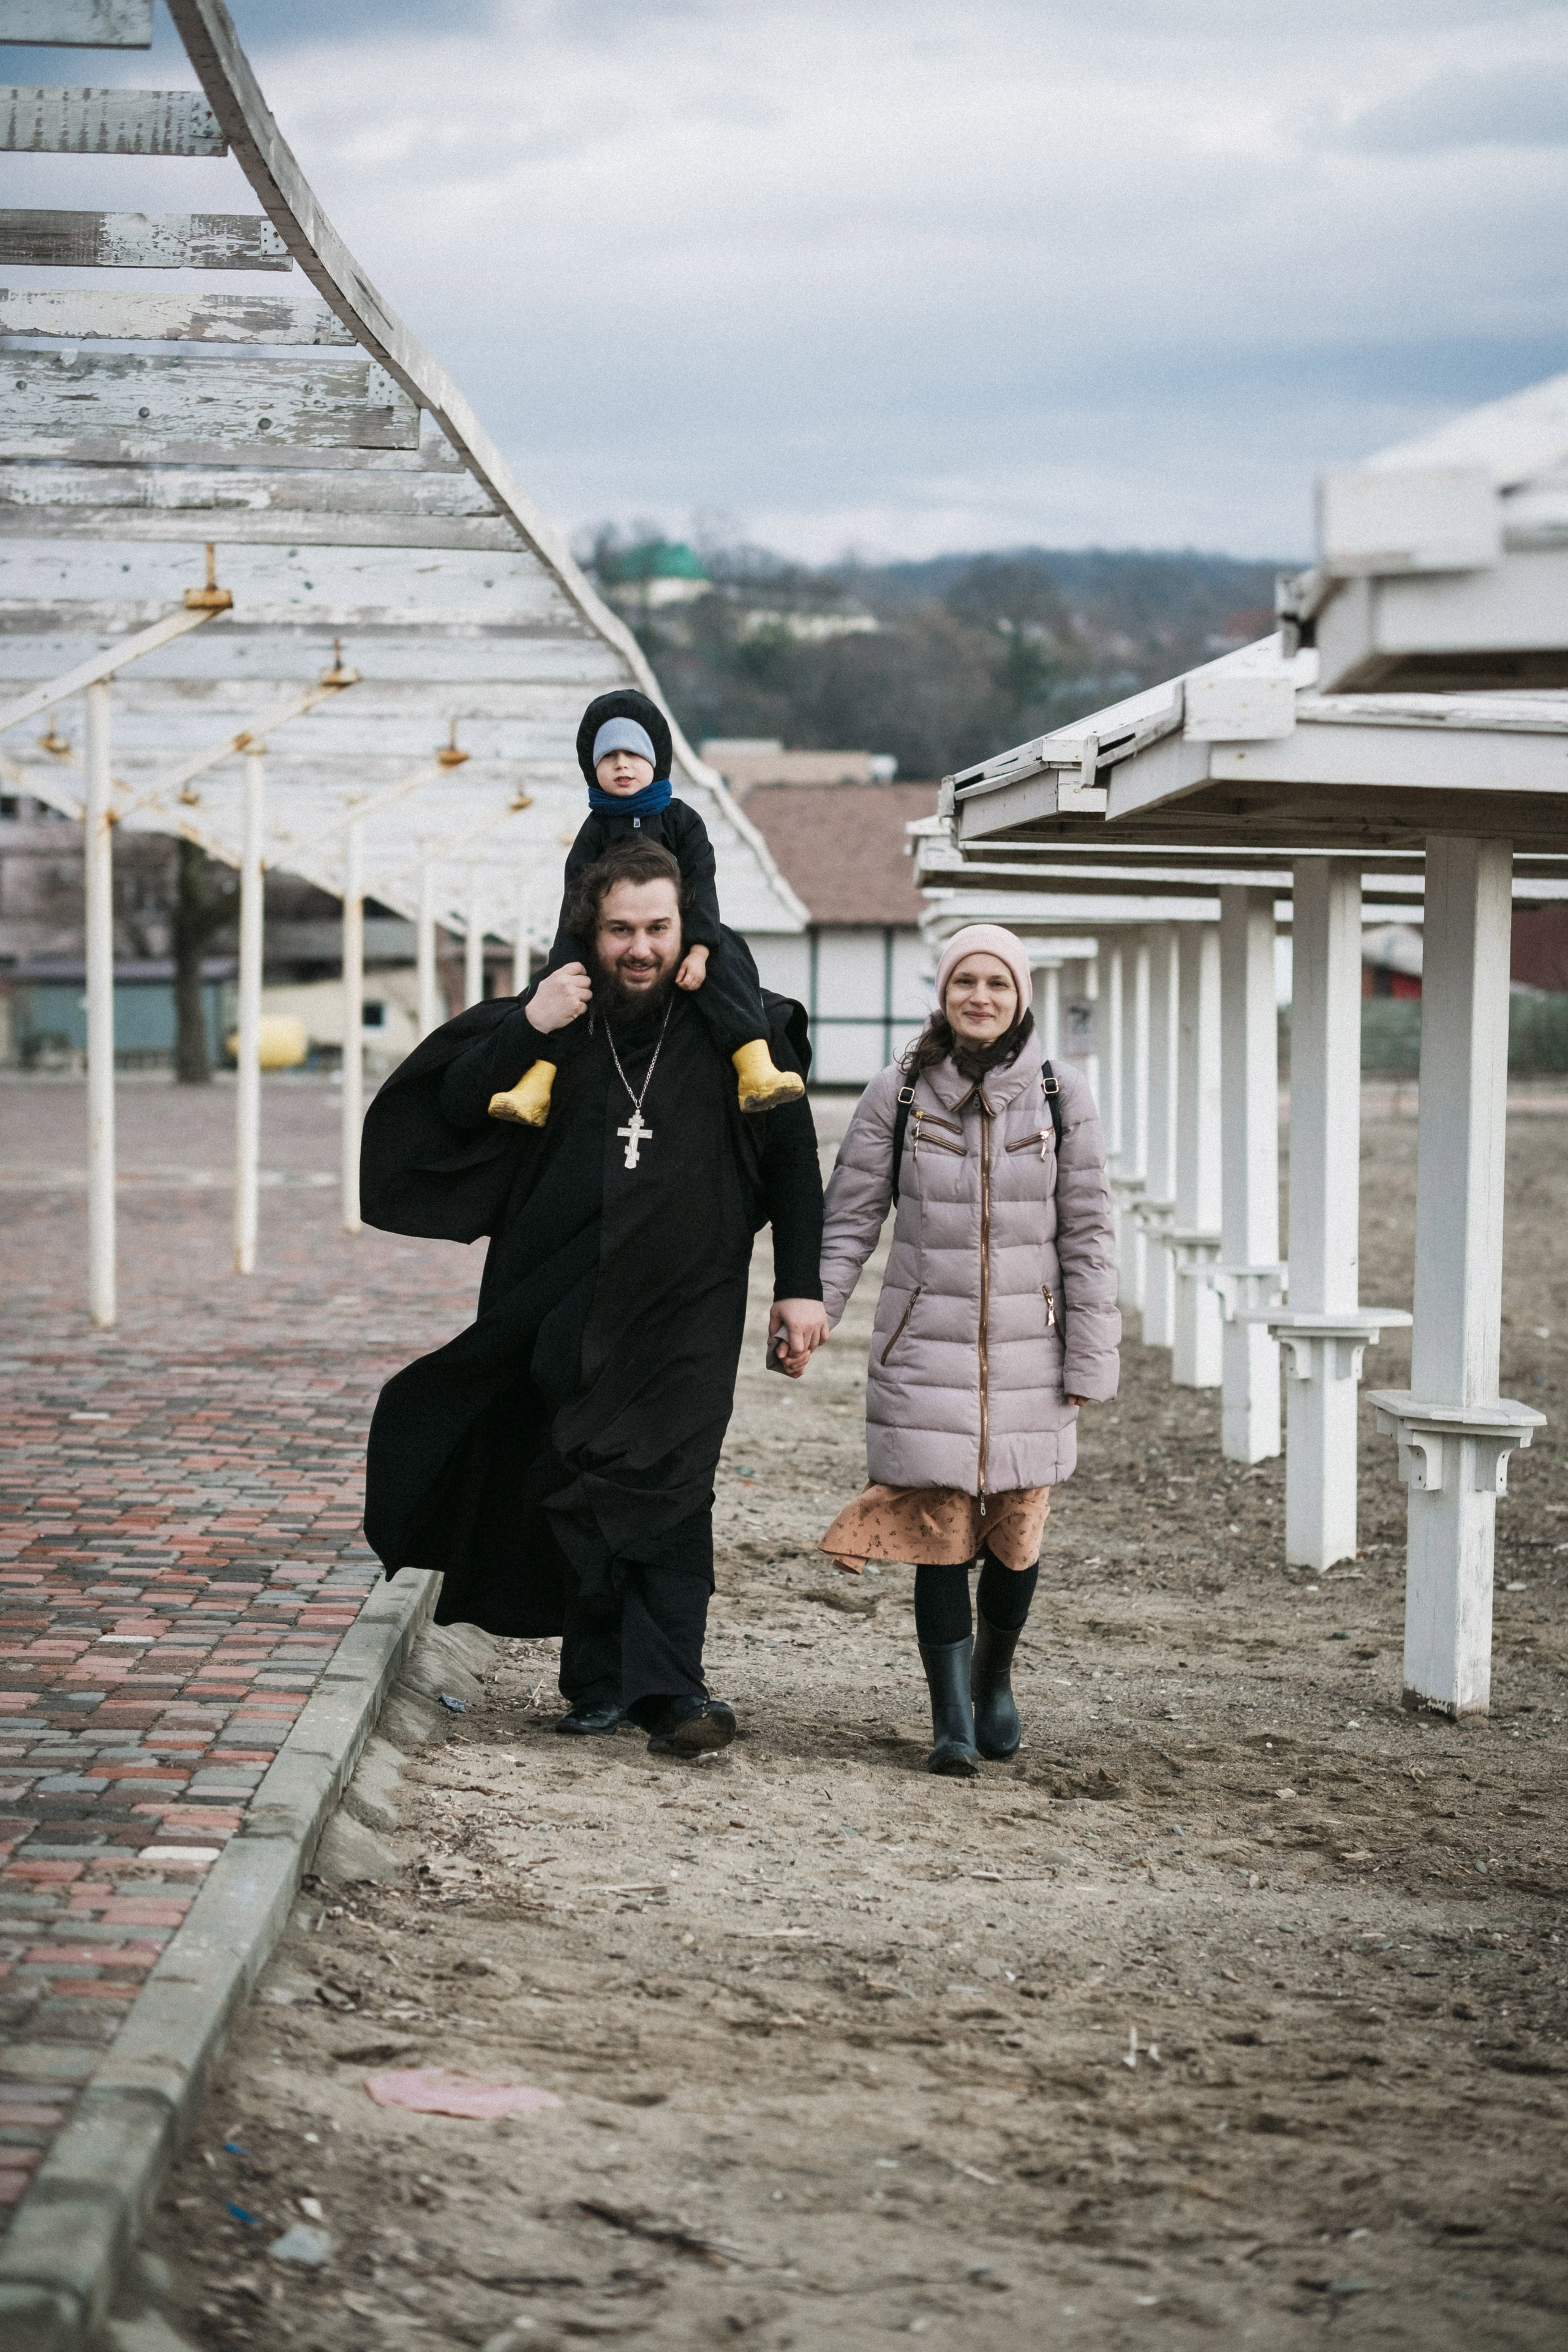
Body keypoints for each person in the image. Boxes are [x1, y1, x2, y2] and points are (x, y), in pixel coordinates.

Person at [360, 839, 829, 1757]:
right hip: (561, 1298)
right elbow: (451, 1107)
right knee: (575, 1478)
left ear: (688, 928)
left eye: (658, 927)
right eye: (622, 930)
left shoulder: (738, 1030)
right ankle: (597, 1681)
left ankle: (673, 1690)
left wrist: (800, 1288)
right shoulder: (556, 1023)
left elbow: (793, 1163)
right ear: (591, 931)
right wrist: (527, 1024)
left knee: (675, 1484)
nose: (641, 948)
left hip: (690, 1302)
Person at [810, 923, 1119, 1776]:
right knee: (937, 1528)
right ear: (943, 994)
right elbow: (850, 1219)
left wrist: (1091, 1357)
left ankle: (995, 1679)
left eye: (997, 983)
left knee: (1017, 1533)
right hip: (925, 1349)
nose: (979, 996)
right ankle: (950, 1719)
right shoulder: (897, 1093)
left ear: (1021, 997)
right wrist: (814, 1311)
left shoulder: (1063, 1097)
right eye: (964, 982)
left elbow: (1090, 1234)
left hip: (1036, 1352)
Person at [488, 688, 804, 1128]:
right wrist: (568, 961)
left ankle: (754, 1064)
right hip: (599, 939)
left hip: (684, 933)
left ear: (655, 759)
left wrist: (699, 947)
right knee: (556, 991)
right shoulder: (594, 830)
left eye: (633, 754)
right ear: (591, 767)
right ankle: (537, 1081)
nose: (621, 765)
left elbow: (701, 881)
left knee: (730, 964)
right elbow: (575, 896)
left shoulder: (681, 820)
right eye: (609, 756)